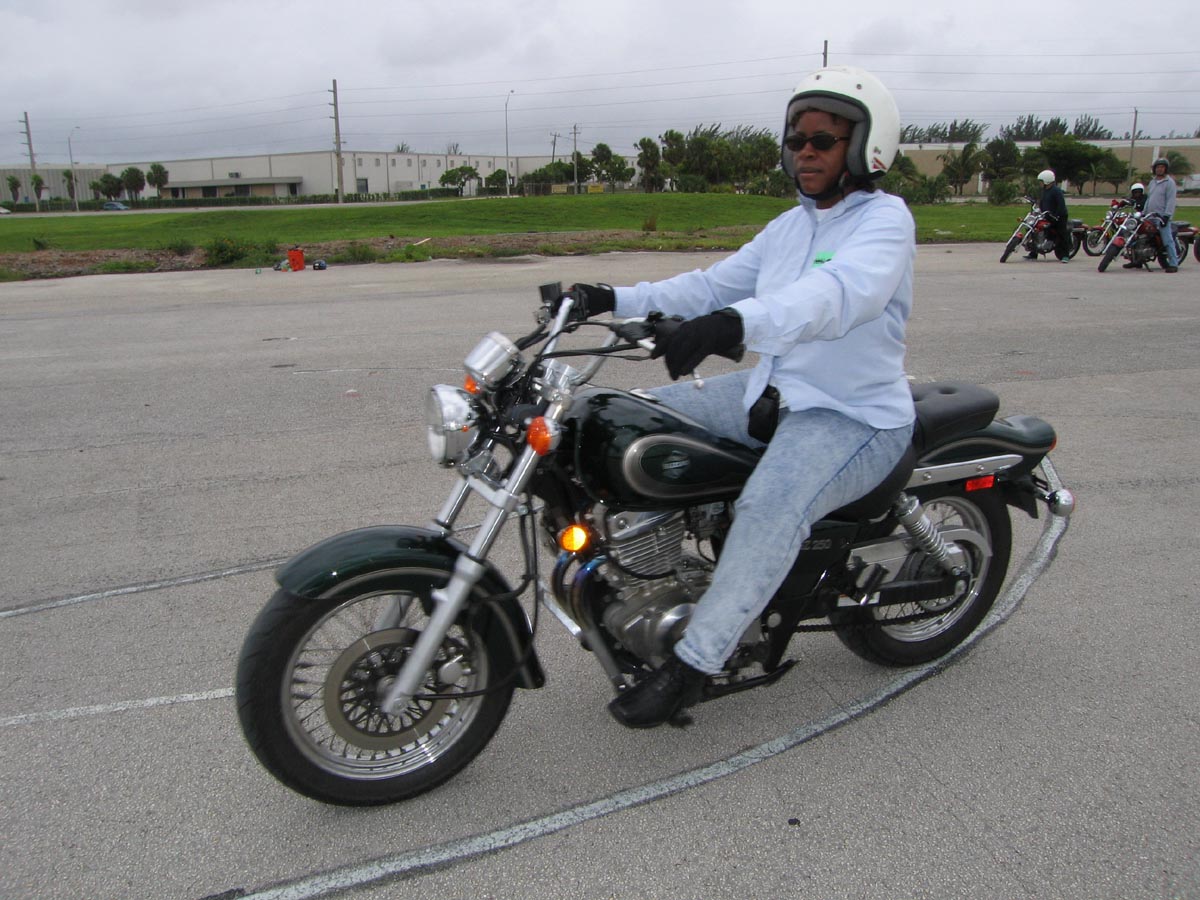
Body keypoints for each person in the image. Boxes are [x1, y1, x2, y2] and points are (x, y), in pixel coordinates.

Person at [560, 66, 917, 729]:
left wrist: (731, 326)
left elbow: (835, 297)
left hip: (853, 414)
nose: (805, 151)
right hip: (770, 394)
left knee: (769, 506)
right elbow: (708, 285)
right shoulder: (790, 228)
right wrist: (608, 297)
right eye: (797, 139)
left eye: (823, 140)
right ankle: (636, 574)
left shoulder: (884, 222)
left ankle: (694, 663)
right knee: (625, 423)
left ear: (866, 147)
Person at [1143, 158, 1179, 273]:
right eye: (1158, 167)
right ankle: (1137, 260)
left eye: (1162, 167)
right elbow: (1149, 199)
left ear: (1166, 169)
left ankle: (1173, 263)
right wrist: (1143, 213)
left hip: (1161, 217)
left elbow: (1171, 201)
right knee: (1140, 236)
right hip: (1149, 216)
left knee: (1167, 240)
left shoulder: (1169, 183)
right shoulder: (1152, 182)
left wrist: (1167, 216)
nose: (1160, 169)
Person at [1029, 169, 1071, 263]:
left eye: (1041, 181)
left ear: (1046, 181)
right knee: (1036, 229)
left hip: (1059, 216)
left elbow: (1061, 205)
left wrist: (1056, 216)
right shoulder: (1045, 190)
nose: (1040, 183)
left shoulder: (1056, 191)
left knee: (1061, 233)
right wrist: (1039, 210)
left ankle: (1065, 255)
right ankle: (1033, 253)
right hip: (1047, 215)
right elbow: (1042, 202)